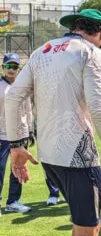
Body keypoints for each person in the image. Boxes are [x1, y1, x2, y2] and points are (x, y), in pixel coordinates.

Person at [4, 9, 101, 236]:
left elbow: (12, 97)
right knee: (89, 227)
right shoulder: (90, 52)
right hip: (78, 157)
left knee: (86, 222)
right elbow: (99, 107)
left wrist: (16, 146)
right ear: (99, 31)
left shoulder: (42, 50)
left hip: (49, 156)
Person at [0, 53, 34, 216]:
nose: (11, 69)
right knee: (0, 169)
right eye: (8, 66)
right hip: (2, 135)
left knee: (18, 169)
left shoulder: (23, 87)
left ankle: (13, 201)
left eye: (14, 66)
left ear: (19, 69)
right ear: (3, 68)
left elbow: (28, 110)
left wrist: (30, 130)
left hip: (21, 134)